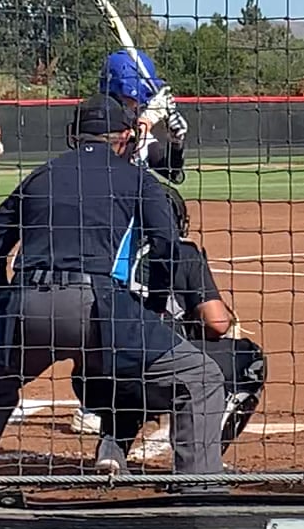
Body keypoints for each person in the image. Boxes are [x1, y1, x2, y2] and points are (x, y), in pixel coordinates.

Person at [0, 95, 227, 485]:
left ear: (73, 135)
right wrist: (153, 309)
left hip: (27, 305)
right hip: (98, 309)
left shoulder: (41, 175)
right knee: (200, 378)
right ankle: (199, 491)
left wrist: (5, 299)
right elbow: (168, 249)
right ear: (126, 136)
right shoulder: (138, 179)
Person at [71, 179, 268, 472]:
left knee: (126, 375)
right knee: (249, 360)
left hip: (92, 380)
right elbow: (217, 324)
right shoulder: (182, 252)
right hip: (159, 372)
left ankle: (111, 451)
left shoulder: (102, 253)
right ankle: (204, 460)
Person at [100, 46, 188, 183]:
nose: (139, 103)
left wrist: (176, 142)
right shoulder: (95, 118)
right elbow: (115, 153)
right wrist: (147, 120)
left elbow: (174, 175)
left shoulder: (138, 131)